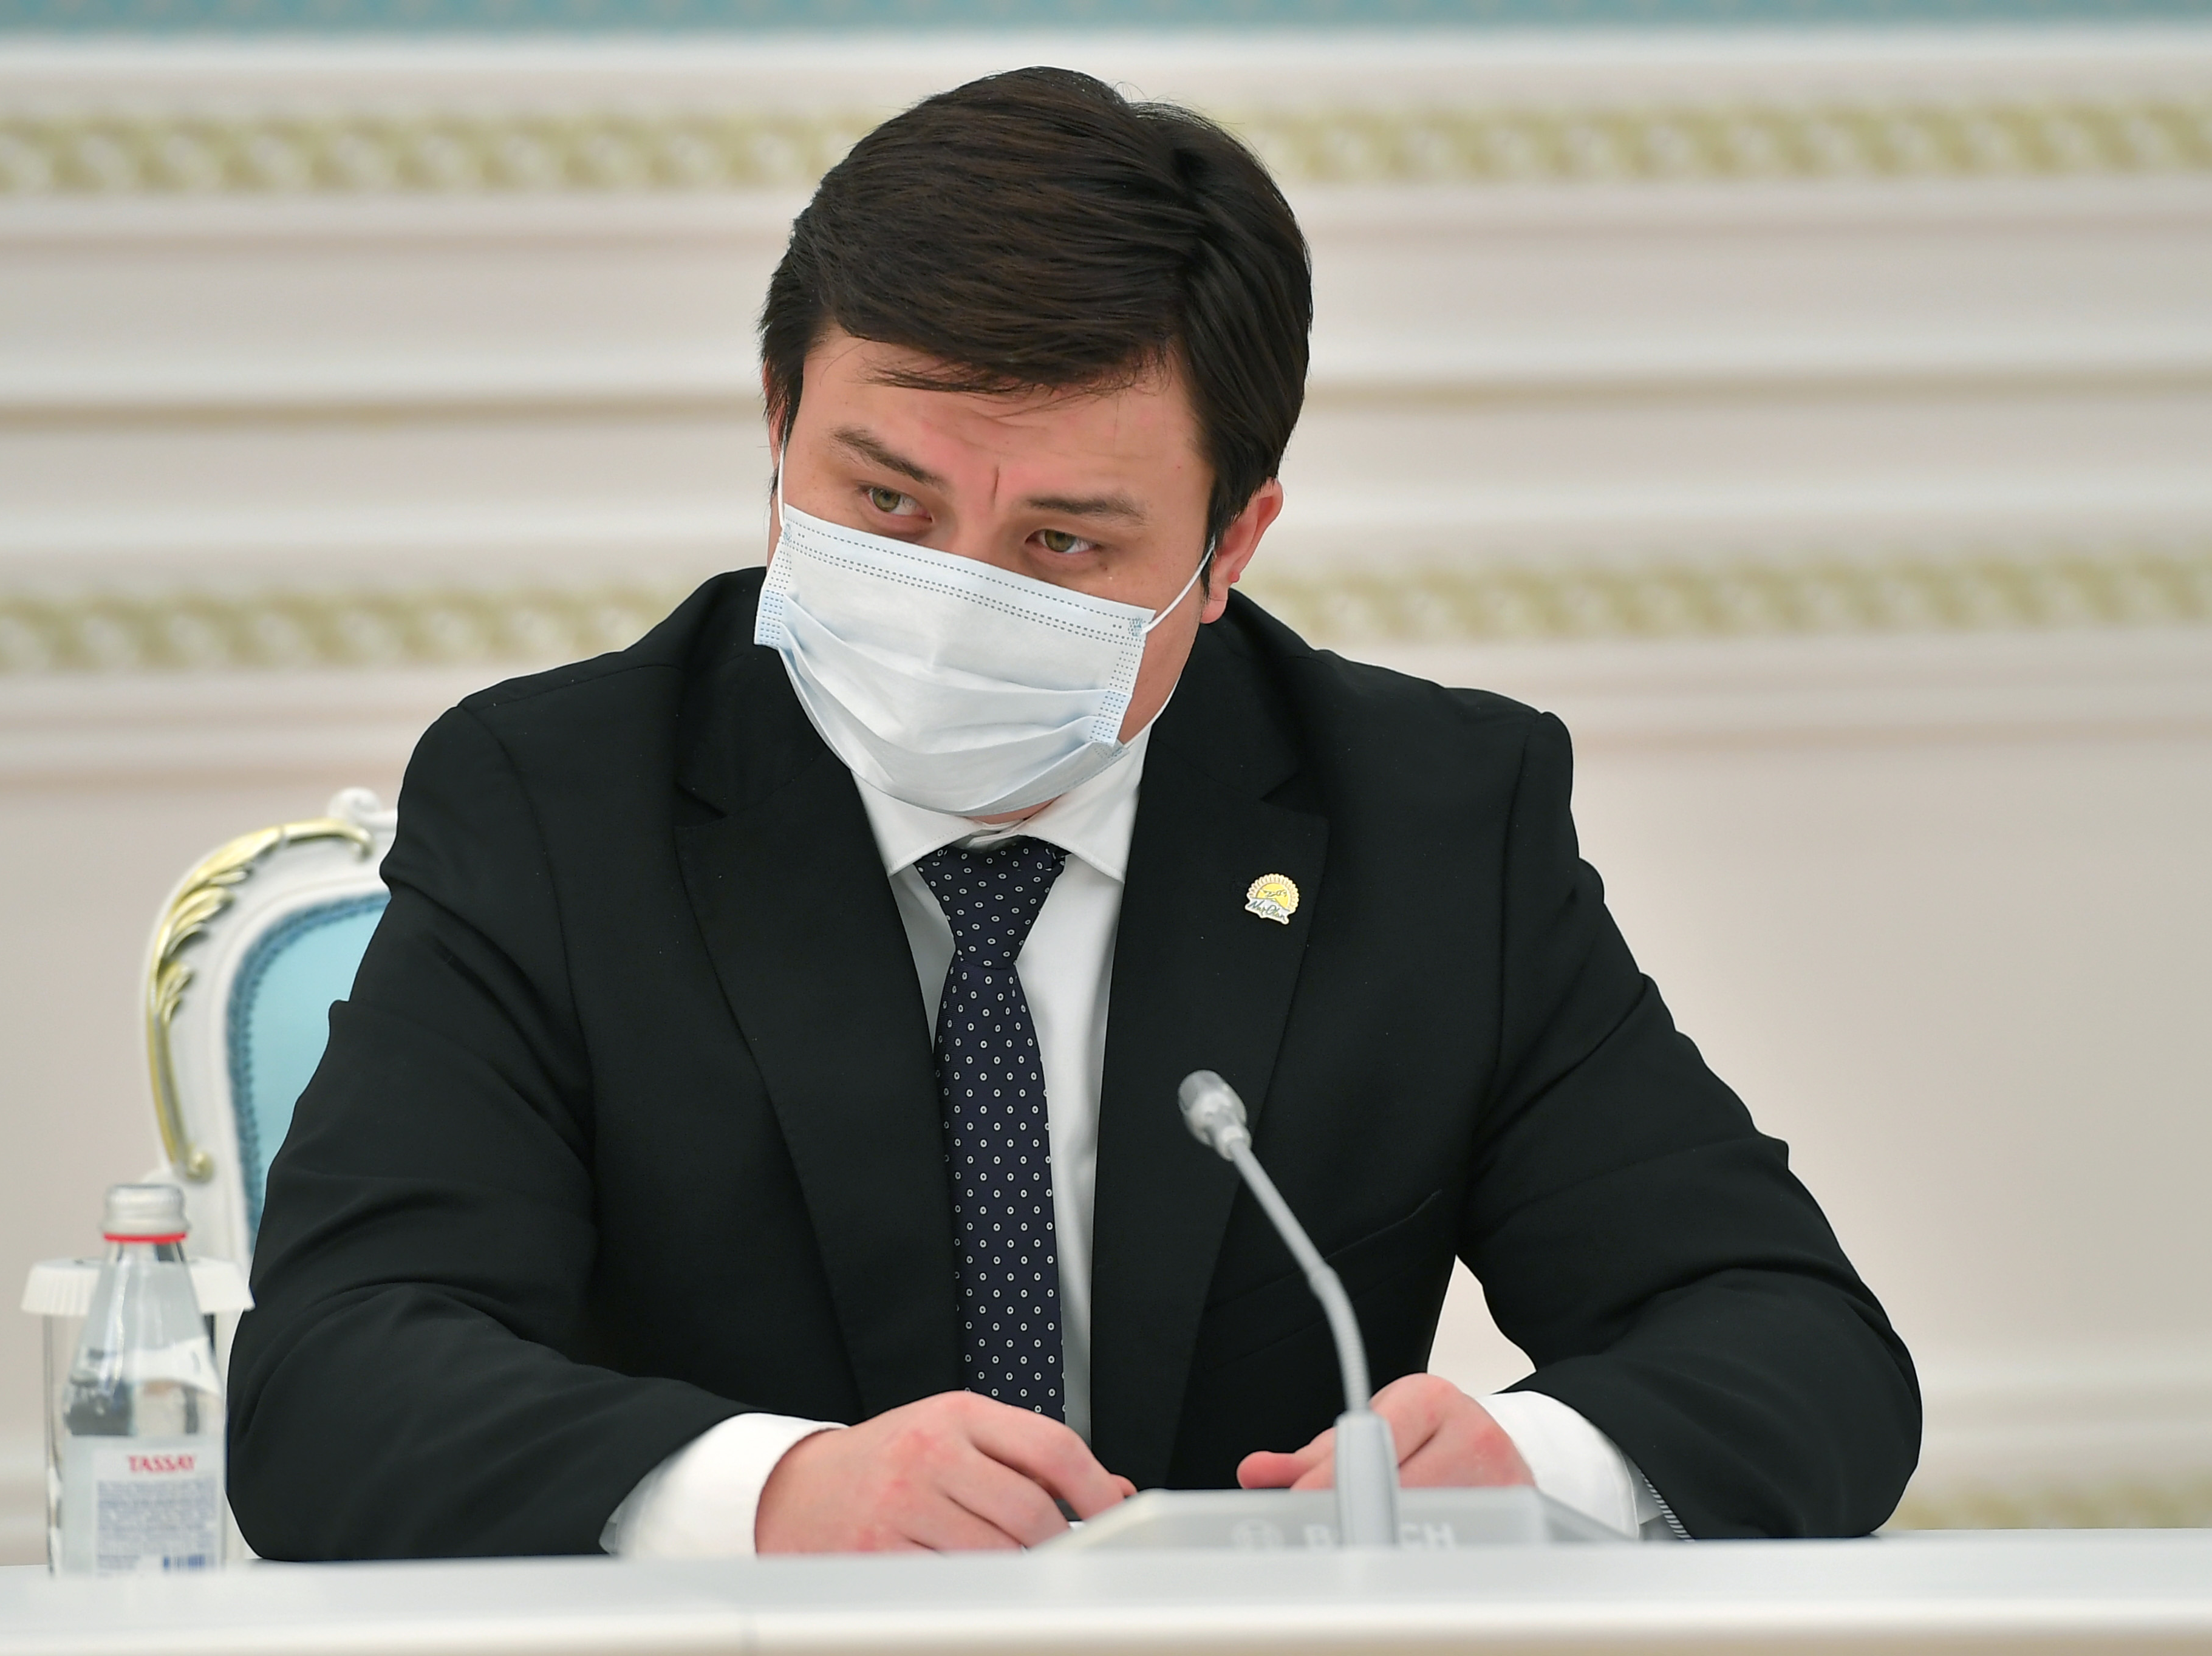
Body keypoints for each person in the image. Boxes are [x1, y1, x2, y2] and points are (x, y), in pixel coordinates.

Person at [228, 66, 1919, 1560]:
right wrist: (775, 1494)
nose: (952, 596)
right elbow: (329, 1386)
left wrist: (1532, 1466)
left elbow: (1797, 1348)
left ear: (1231, 546)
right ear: (778, 425)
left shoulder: (1432, 821)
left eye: (1061, 544)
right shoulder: (558, 801)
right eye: (884, 501)